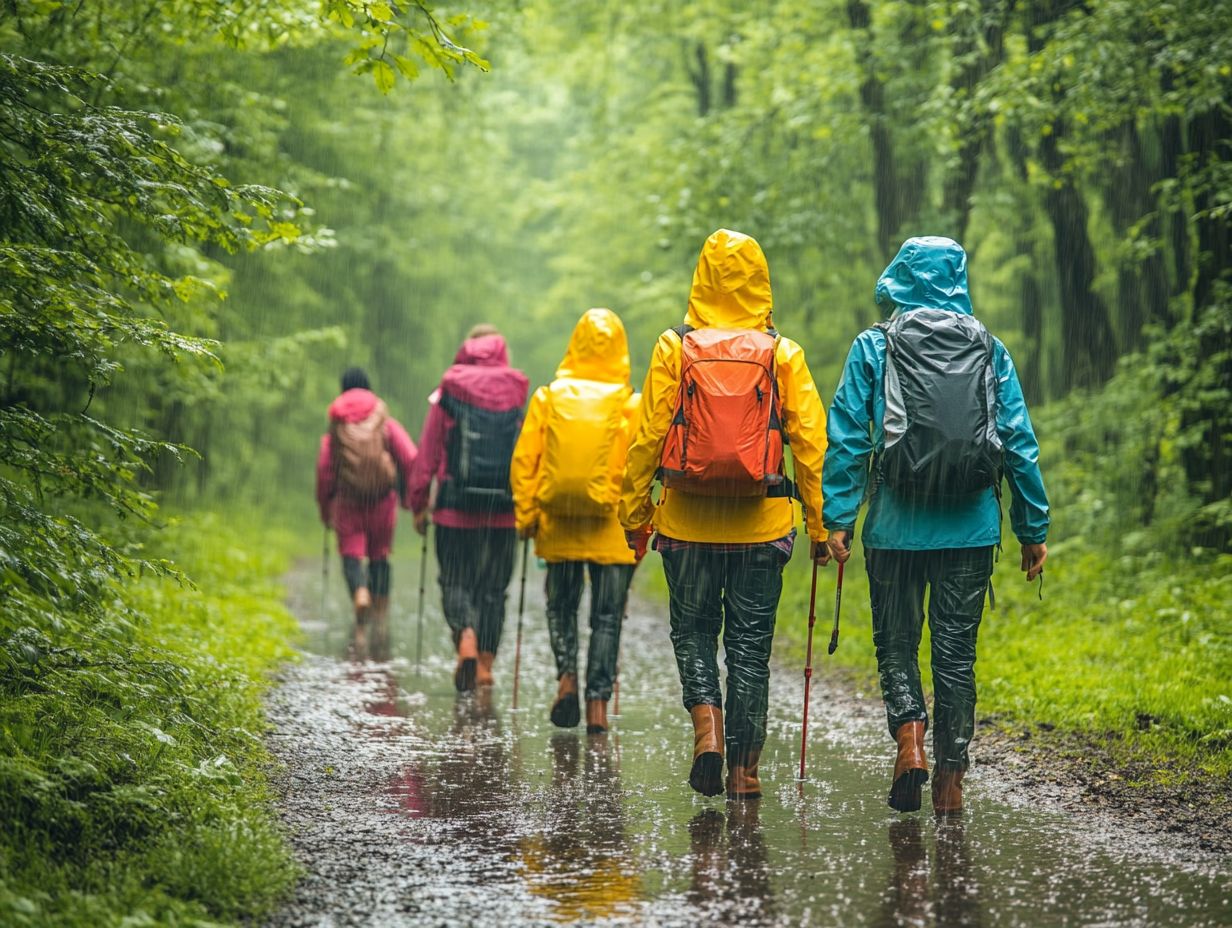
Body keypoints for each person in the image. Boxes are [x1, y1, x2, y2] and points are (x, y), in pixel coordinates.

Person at [822, 235, 1050, 816]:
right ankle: (951, 780)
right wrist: (1032, 526)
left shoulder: (876, 346)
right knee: (955, 654)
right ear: (959, 279)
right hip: (970, 528)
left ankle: (911, 740)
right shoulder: (990, 350)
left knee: (895, 644)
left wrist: (838, 517)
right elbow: (1018, 443)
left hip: (895, 527)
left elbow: (849, 437)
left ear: (900, 277)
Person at [619, 229, 830, 801]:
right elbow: (811, 441)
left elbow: (647, 437)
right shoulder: (781, 352)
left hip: (686, 524)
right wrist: (821, 522)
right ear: (760, 280)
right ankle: (745, 771)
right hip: (762, 525)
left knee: (692, 633)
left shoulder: (675, 347)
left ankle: (706, 735)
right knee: (751, 648)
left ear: (702, 277)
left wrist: (634, 511)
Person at [510, 308, 640, 735]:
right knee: (606, 617)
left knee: (561, 606)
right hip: (612, 532)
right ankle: (598, 704)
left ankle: (566, 677)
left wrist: (528, 518)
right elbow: (642, 467)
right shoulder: (630, 404)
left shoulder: (549, 398)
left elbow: (525, 462)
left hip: (559, 526)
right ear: (620, 349)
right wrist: (643, 525)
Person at [409, 324, 529, 692]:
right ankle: (487, 664)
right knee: (494, 588)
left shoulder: (451, 388)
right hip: (502, 509)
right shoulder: (516, 389)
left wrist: (418, 501)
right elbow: (525, 452)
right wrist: (527, 506)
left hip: (454, 507)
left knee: (455, 581)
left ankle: (466, 639)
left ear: (467, 348)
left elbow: (429, 449)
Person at [316, 367, 418, 658]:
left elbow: (325, 471)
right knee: (380, 555)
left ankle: (360, 593)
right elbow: (409, 457)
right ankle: (381, 615)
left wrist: (326, 508)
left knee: (351, 555)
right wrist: (410, 497)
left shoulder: (336, 424)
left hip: (348, 501)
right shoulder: (384, 421)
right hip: (381, 500)